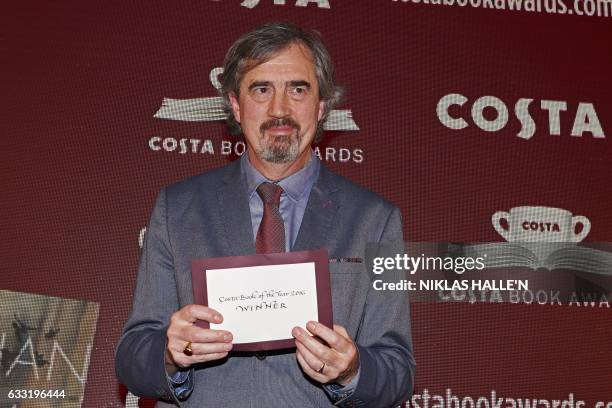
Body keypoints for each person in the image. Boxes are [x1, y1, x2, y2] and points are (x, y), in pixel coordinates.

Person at [116, 22, 415, 407]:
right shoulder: (178, 208)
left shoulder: (376, 220)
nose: (279, 110)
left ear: (322, 106)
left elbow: (398, 373)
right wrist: (169, 354)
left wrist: (352, 369)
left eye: (298, 89)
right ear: (237, 106)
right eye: (261, 90)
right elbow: (131, 359)